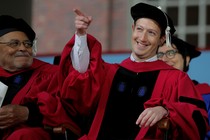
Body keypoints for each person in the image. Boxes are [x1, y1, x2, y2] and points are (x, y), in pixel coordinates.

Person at [58, 2, 209, 140]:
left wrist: (166, 110)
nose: (142, 38)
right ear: (132, 29)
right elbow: (81, 77)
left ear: (162, 39)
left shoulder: (176, 79)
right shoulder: (109, 72)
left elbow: (198, 118)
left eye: (151, 33)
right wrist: (81, 35)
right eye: (139, 29)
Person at [0, 15, 81, 140]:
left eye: (27, 44)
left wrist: (29, 113)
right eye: (14, 43)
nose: (23, 48)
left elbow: (72, 112)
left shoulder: (51, 75)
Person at [157, 36, 210, 140]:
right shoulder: (151, 93)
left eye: (171, 53)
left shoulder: (205, 95)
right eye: (159, 54)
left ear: (186, 59)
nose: (164, 59)